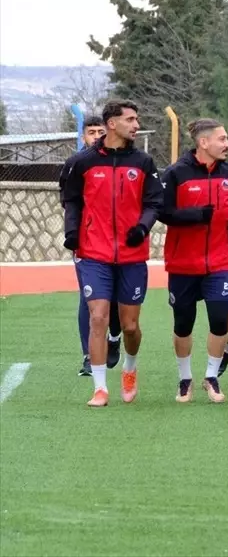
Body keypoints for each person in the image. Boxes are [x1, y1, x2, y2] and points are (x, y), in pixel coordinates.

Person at [61, 99, 162, 407]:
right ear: (112, 124)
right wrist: (73, 233)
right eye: (131, 119)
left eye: (137, 119)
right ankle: (100, 388)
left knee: (130, 326)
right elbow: (72, 200)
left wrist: (142, 228)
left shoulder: (143, 162)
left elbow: (154, 202)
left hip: (132, 255)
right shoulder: (84, 161)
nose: (136, 124)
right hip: (94, 253)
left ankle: (129, 370)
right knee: (98, 318)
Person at [159, 119, 228, 404]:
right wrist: (197, 215)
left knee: (221, 322)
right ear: (203, 142)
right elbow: (163, 212)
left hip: (221, 263)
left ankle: (211, 376)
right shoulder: (176, 173)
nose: (227, 144)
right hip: (183, 264)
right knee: (183, 323)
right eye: (222, 139)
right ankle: (185, 379)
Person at [60, 115, 122, 377]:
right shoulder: (77, 164)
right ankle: (89, 355)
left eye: (100, 131)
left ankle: (115, 337)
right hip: (88, 244)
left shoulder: (121, 160)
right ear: (82, 137)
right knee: (89, 300)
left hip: (120, 244)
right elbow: (69, 201)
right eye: (91, 132)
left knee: (119, 300)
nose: (96, 135)